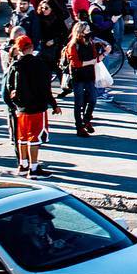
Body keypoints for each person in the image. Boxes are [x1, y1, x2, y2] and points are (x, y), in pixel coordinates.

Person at [9, 35, 59, 179]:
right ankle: (34, 168)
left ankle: (23, 166)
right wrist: (54, 104)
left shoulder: (15, 65)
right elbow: (45, 87)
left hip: (21, 108)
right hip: (37, 107)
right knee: (34, 139)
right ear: (31, 47)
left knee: (22, 138)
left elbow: (10, 86)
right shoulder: (39, 64)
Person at [65, 22, 109, 137]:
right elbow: (76, 63)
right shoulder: (73, 45)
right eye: (87, 29)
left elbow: (96, 59)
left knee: (93, 99)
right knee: (78, 102)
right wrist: (91, 62)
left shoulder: (89, 42)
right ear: (80, 31)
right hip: (78, 76)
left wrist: (105, 53)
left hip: (89, 75)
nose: (89, 31)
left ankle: (86, 119)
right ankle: (79, 127)